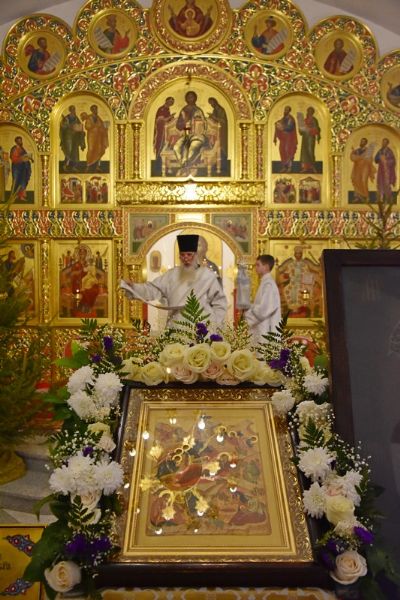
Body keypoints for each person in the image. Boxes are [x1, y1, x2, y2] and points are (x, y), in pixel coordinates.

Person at [120, 234, 227, 327]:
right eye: (182, 255)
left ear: (195, 255)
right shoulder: (171, 275)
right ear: (179, 256)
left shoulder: (208, 276)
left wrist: (214, 324)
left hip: (202, 328)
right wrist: (133, 286)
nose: (186, 258)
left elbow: (219, 302)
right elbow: (152, 289)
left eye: (189, 254)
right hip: (176, 326)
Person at [244, 255, 281, 344]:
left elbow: (264, 309)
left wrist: (248, 312)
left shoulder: (269, 284)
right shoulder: (265, 283)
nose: (255, 268)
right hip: (262, 327)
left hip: (266, 329)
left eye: (258, 265)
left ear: (266, 267)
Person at [277, 246, 321, 318]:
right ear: (294, 254)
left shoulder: (305, 263)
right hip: (292, 283)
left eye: (299, 253)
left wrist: (320, 264)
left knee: (303, 291)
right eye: (296, 253)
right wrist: (286, 275)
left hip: (303, 283)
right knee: (287, 290)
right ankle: (293, 309)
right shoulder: (291, 263)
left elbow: (314, 269)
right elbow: (284, 272)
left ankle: (302, 309)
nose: (298, 255)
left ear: (301, 254)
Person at [173, 91, 208, 174]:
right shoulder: (183, 110)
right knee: (176, 148)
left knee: (192, 148)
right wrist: (184, 121)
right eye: (188, 97)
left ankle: (184, 168)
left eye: (192, 97)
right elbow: (178, 126)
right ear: (186, 99)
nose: (190, 99)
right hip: (186, 135)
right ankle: (184, 166)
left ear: (195, 98)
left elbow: (205, 125)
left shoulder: (198, 110)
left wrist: (199, 124)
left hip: (198, 136)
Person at [80, 105, 109, 172]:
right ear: (92, 110)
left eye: (96, 109)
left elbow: (102, 126)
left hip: (98, 136)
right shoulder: (89, 118)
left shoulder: (98, 118)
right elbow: (87, 126)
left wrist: (105, 127)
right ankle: (88, 165)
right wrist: (95, 126)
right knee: (91, 149)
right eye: (94, 109)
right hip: (92, 137)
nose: (95, 110)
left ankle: (97, 166)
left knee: (99, 150)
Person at [60, 105, 86, 172]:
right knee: (68, 151)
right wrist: (67, 125)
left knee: (75, 152)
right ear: (70, 110)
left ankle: (73, 166)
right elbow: (63, 126)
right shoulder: (66, 118)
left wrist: (81, 131)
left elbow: (79, 126)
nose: (73, 110)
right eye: (72, 109)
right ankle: (65, 165)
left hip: (75, 137)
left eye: (74, 109)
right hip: (68, 137)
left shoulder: (76, 118)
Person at [350, 137, 376, 202]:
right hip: (357, 168)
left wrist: (359, 157)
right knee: (356, 180)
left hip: (365, 168)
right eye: (361, 141)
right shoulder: (357, 150)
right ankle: (357, 196)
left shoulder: (368, 150)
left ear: (365, 143)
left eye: (363, 141)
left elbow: (369, 159)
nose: (362, 142)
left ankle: (367, 196)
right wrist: (358, 156)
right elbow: (352, 158)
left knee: (363, 181)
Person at [273, 106, 297, 172]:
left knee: (288, 151)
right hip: (283, 138)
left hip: (289, 138)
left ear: (289, 111)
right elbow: (280, 122)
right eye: (285, 110)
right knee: (282, 150)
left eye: (286, 110)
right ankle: (284, 166)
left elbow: (290, 127)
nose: (285, 111)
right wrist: (277, 123)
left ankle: (289, 167)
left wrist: (282, 127)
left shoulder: (291, 119)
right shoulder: (284, 118)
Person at [298, 107, 320, 173]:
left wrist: (309, 129)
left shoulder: (314, 120)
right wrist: (300, 126)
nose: (308, 113)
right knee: (304, 152)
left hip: (310, 137)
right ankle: (305, 167)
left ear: (312, 113)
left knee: (310, 151)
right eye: (308, 111)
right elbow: (301, 131)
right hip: (305, 138)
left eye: (310, 111)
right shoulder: (305, 120)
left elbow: (317, 129)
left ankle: (312, 166)